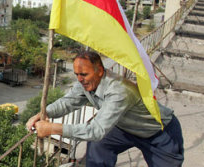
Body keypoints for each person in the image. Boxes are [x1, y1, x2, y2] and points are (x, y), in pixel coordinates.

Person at [26, 51, 184, 167]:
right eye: (76, 74)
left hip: (158, 133)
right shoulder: (86, 82)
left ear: (100, 71)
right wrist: (43, 113)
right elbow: (68, 102)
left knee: (97, 135)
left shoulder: (119, 91)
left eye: (84, 74)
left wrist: (53, 128)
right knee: (98, 145)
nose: (80, 79)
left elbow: (96, 130)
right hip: (124, 127)